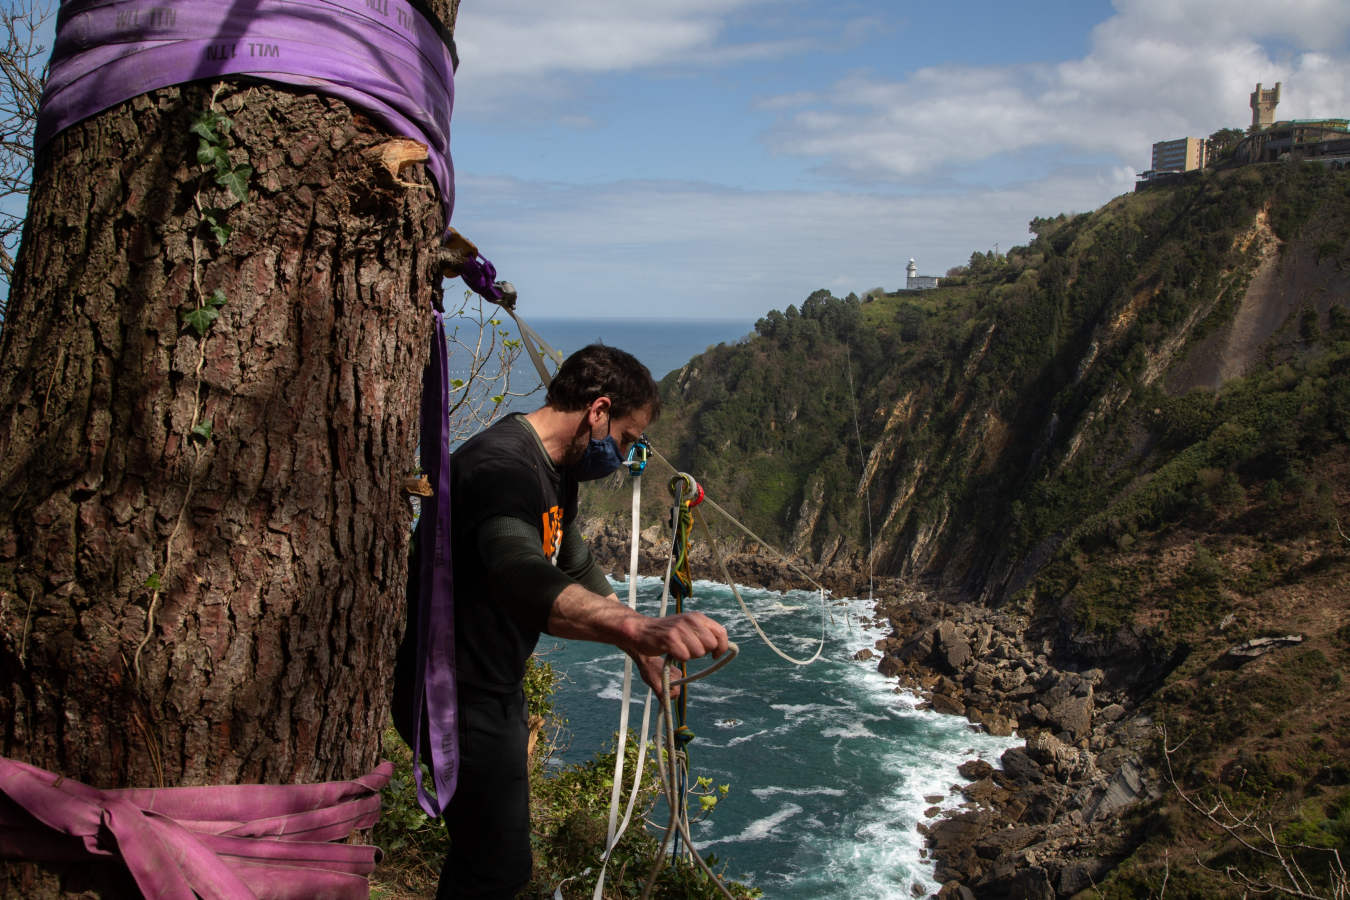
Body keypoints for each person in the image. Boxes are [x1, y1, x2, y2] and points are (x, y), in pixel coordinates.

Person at [423, 343, 728, 899]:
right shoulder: (502, 469)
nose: (626, 453)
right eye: (628, 438)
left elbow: (572, 560)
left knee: (489, 859)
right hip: (453, 694)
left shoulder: (554, 462)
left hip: (489, 687)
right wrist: (637, 630)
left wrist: (636, 640)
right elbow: (517, 571)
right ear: (598, 410)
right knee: (497, 867)